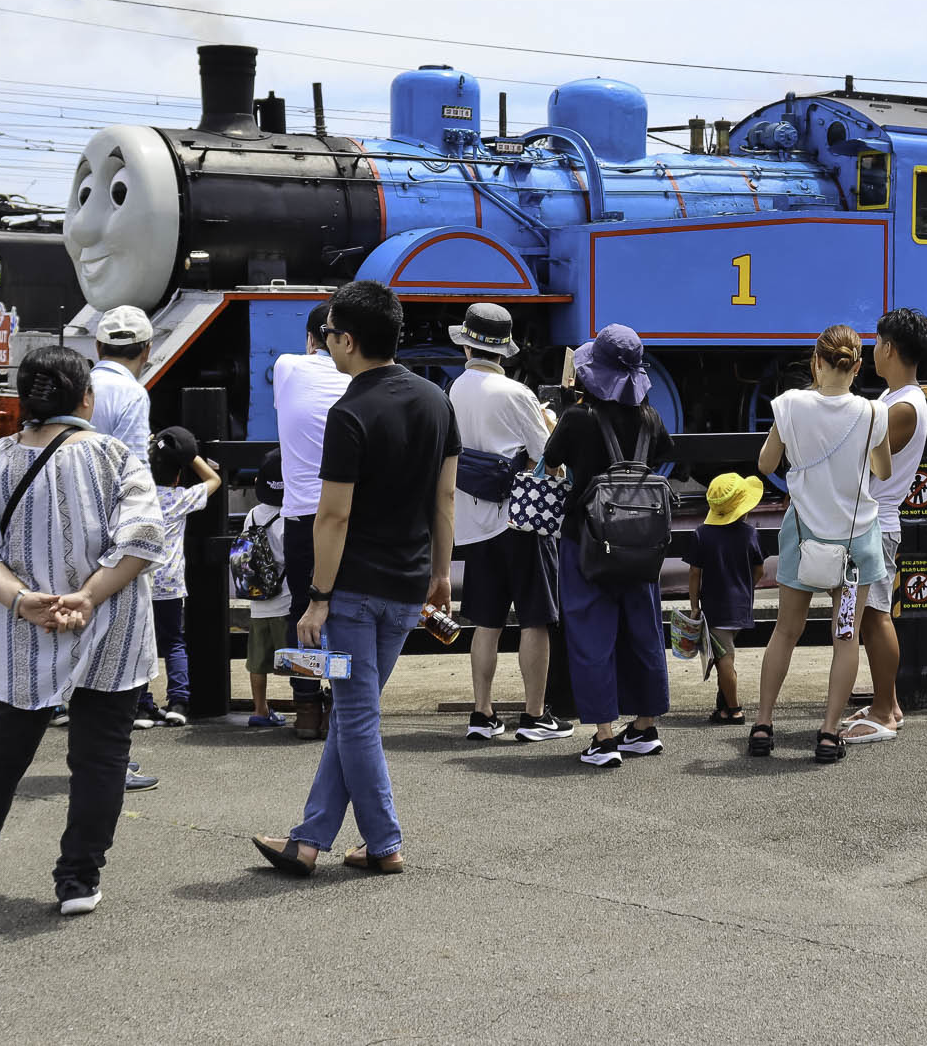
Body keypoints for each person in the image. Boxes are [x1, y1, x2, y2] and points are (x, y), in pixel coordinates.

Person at [0, 346, 167, 915]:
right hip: (109, 625)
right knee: (99, 758)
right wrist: (88, 596)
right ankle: (78, 880)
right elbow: (143, 538)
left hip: (23, 632)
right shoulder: (115, 457)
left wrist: (21, 600)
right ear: (85, 398)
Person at [252, 280, 458, 875]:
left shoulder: (349, 412)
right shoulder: (435, 401)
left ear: (346, 340)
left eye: (332, 336)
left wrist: (317, 598)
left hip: (353, 593)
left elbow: (333, 514)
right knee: (353, 712)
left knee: (358, 714)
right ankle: (309, 839)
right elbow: (444, 496)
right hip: (408, 584)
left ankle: (385, 842)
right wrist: (440, 572)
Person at [751, 325, 892, 764]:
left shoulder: (791, 405)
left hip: (803, 538)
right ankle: (829, 733)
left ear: (816, 361)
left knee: (785, 632)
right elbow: (883, 472)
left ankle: (763, 724)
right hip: (855, 544)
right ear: (858, 365)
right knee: (845, 637)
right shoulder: (873, 413)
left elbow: (766, 463)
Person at [541, 324, 676, 769]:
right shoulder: (651, 419)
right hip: (642, 545)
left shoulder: (578, 418)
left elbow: (552, 458)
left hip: (589, 542)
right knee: (644, 631)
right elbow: (662, 455)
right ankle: (644, 725)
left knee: (590, 634)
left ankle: (602, 737)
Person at [447, 302, 570, 743]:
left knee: (486, 621)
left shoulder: (455, 391)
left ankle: (482, 714)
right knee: (535, 620)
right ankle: (535, 717)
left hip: (473, 523)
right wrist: (551, 420)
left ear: (467, 345)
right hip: (521, 521)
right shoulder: (517, 395)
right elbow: (548, 459)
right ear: (505, 350)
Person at [843, 306, 927, 746]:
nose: (871, 350)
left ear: (889, 348)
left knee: (876, 618)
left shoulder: (904, 406)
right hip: (874, 520)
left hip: (878, 521)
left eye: (876, 343)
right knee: (870, 618)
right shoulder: (894, 399)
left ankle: (884, 712)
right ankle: (889, 702)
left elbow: (866, 463)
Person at [274, 301, 352, 740]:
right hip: (347, 513)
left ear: (311, 339)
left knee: (302, 610)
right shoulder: (357, 382)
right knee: (347, 609)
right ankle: (345, 706)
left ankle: (306, 708)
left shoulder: (288, 367)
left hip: (303, 514)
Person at [135, 426, 220, 729]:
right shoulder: (179, 498)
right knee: (173, 643)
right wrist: (191, 454)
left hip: (137, 582)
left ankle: (143, 706)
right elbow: (215, 480)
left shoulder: (137, 498)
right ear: (179, 473)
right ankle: (179, 702)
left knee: (139, 643)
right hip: (170, 585)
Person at [683, 474, 764, 722]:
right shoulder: (750, 534)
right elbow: (760, 570)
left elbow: (695, 573)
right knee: (724, 656)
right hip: (741, 606)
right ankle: (724, 706)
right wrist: (747, 588)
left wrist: (694, 606)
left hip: (715, 607)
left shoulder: (702, 534)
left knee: (724, 659)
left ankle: (735, 710)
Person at [241, 449, 292, 728]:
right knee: (296, 658)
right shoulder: (290, 517)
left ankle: (260, 709)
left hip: (259, 600)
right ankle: (305, 705)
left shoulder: (252, 514)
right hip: (285, 599)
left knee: (257, 661)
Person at [89, 305, 154, 469]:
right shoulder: (133, 394)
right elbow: (132, 467)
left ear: (98, 347)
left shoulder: (77, 383)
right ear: (147, 350)